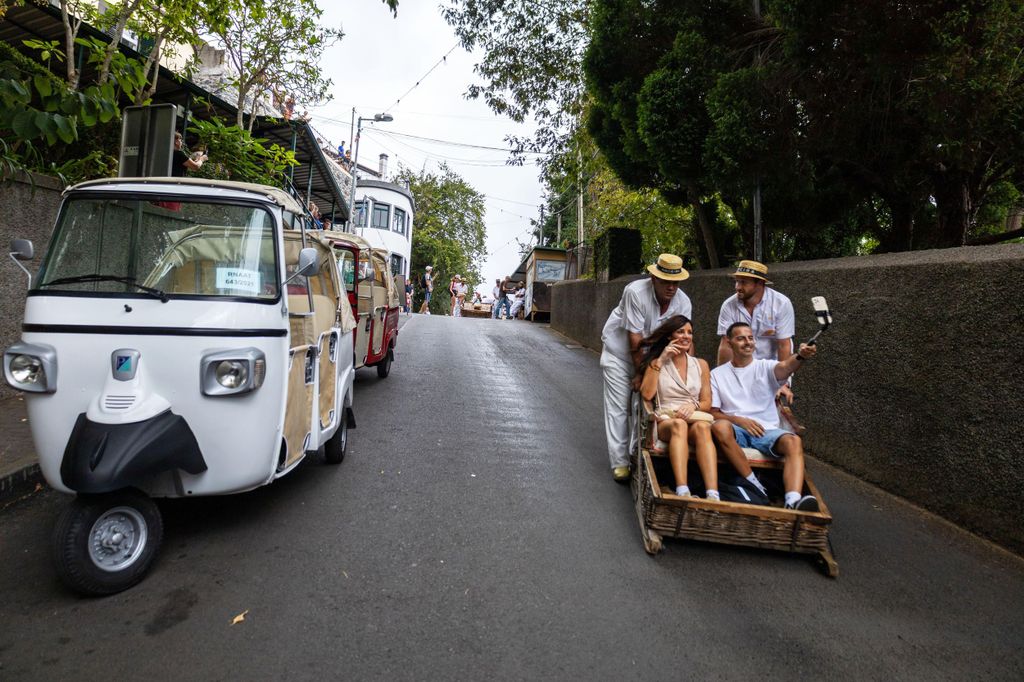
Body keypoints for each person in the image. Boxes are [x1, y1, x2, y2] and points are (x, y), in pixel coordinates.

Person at [600, 253, 692, 482]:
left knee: (645, 406)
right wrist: (640, 374)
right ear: (653, 278)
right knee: (620, 407)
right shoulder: (635, 292)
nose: (671, 287)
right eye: (666, 282)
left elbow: (685, 338)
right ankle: (620, 463)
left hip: (653, 358)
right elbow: (635, 341)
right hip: (620, 355)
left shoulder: (684, 302)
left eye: (676, 282)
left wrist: (689, 377)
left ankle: (635, 455)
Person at [710, 322, 819, 510]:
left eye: (750, 338)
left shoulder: (766, 367)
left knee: (794, 442)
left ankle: (792, 501)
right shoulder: (717, 374)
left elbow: (786, 366)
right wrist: (739, 421)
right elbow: (713, 412)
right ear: (729, 342)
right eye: (741, 338)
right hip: (736, 430)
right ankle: (755, 485)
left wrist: (801, 355)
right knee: (719, 426)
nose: (747, 342)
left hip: (766, 431)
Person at [638, 316, 718, 500]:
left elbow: (707, 402)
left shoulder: (701, 364)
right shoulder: (656, 362)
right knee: (679, 426)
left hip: (693, 416)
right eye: (680, 332)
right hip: (668, 419)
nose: (686, 336)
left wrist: (693, 404)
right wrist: (662, 359)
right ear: (669, 336)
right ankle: (683, 490)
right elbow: (647, 395)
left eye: (689, 332)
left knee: (704, 428)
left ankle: (713, 494)